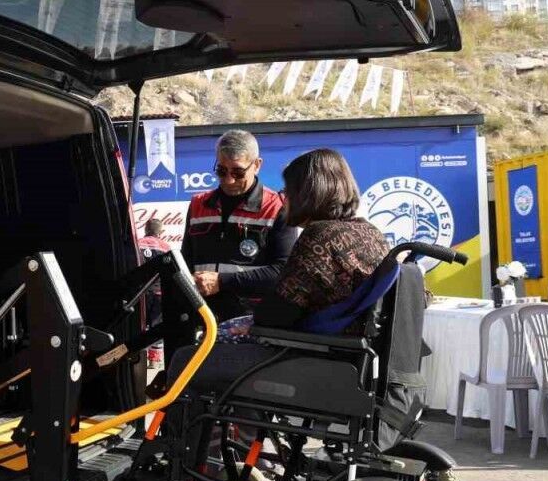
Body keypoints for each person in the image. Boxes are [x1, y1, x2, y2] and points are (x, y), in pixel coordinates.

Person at [163, 148, 390, 397]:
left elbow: (276, 314)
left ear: (306, 195)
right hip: (347, 358)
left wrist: (250, 321)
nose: (284, 199)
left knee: (184, 359)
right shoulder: (370, 233)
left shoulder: (319, 237)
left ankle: (182, 424)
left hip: (309, 358)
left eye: (288, 192)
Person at [181, 130, 294, 322]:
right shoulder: (198, 204)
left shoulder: (276, 207)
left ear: (257, 165)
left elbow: (283, 271)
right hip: (201, 315)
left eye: (238, 172)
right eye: (221, 171)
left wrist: (222, 281)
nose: (229, 180)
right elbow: (186, 261)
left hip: (249, 318)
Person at [138, 218, 171, 328]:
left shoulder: (137, 244)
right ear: (160, 231)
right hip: (159, 293)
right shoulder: (166, 247)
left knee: (140, 325)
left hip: (140, 293)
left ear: (145, 229)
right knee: (156, 327)